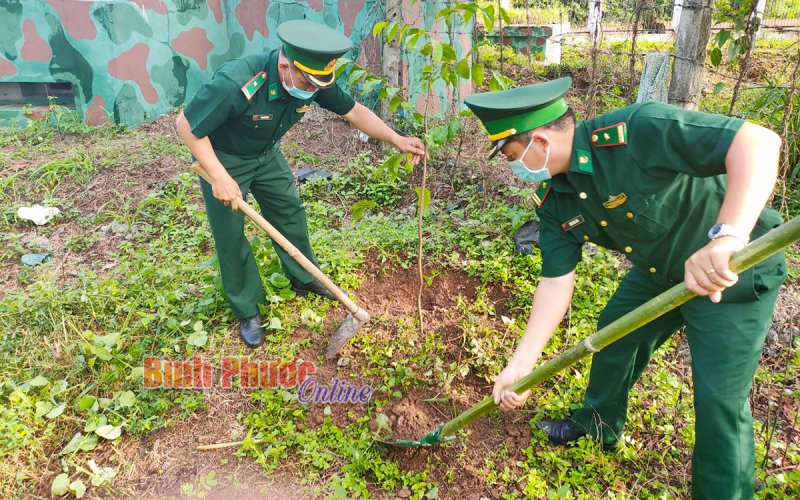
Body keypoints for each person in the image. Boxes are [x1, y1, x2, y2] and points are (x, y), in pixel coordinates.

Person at [464, 77, 787, 499]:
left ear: (540, 141)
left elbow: (758, 143)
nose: (515, 168)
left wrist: (727, 237)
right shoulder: (555, 198)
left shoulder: (636, 131)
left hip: (732, 276)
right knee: (614, 338)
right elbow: (556, 281)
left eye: (512, 156)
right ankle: (598, 425)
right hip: (659, 274)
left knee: (720, 401)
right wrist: (522, 363)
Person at [176, 20, 425, 348]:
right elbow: (186, 125)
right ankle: (247, 308)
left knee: (289, 213)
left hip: (266, 156)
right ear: (284, 65)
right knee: (230, 232)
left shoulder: (313, 79)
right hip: (223, 157)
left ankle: (304, 277)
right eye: (306, 82)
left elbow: (353, 111)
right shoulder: (239, 81)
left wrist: (396, 138)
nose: (311, 91)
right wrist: (220, 177)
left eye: (316, 85)